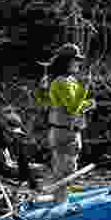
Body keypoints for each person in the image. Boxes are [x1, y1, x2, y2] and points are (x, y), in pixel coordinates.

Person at [41, 43, 95, 203]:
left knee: (66, 172)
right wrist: (85, 87)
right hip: (65, 133)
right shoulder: (61, 82)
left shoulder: (68, 80)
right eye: (76, 60)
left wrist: (86, 104)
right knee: (64, 174)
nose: (79, 63)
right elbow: (72, 108)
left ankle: (60, 201)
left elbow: (72, 106)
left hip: (68, 131)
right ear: (67, 62)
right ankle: (59, 204)